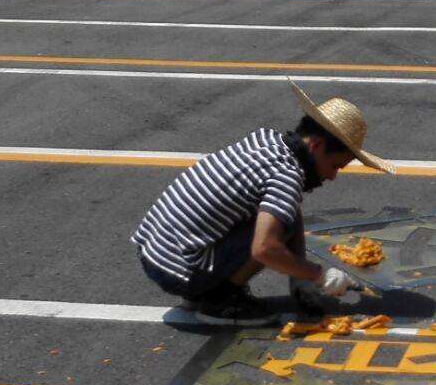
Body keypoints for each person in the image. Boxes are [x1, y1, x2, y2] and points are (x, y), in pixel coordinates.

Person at [132, 81, 392, 324]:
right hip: (176, 268)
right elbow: (264, 250)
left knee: (281, 218)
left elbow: (288, 209)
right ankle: (219, 301)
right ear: (316, 145)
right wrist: (318, 275)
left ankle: (209, 286)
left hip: (155, 253)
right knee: (273, 236)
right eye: (334, 165)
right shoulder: (286, 176)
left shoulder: (267, 141)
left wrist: (298, 277)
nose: (332, 176)